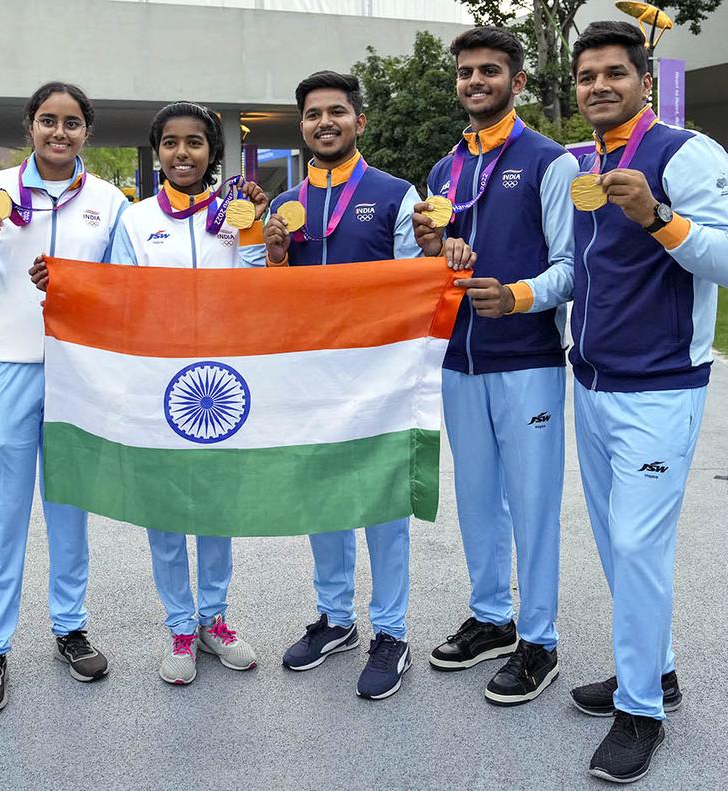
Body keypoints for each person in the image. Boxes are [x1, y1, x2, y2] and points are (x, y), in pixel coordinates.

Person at [498, 21, 728, 783]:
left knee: (639, 547)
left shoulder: (686, 153)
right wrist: (517, 293)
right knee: (615, 543)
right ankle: (656, 670)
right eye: (586, 76)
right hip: (593, 383)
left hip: (661, 388)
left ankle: (641, 711)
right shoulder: (585, 164)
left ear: (645, 79)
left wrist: (658, 217)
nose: (599, 85)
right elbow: (580, 271)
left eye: (614, 72)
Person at [34, 101, 268, 686]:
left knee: (216, 509)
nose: (182, 153)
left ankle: (215, 619)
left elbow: (259, 290)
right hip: (157, 386)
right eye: (170, 143)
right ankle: (180, 627)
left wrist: (255, 232)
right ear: (157, 151)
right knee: (164, 510)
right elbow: (117, 296)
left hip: (221, 386)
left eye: (195, 142)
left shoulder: (237, 216)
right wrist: (66, 286)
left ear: (213, 152)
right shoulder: (135, 220)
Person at [261, 71, 466, 701]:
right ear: (301, 126)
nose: (325, 123)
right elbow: (270, 298)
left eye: (337, 112)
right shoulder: (283, 205)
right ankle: (335, 618)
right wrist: (275, 258)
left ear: (359, 121)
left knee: (381, 503)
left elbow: (417, 282)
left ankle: (391, 632)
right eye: (313, 114)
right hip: (312, 374)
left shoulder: (396, 195)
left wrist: (436, 253)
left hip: (379, 374)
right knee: (322, 497)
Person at [412, 27, 577, 707]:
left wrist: (517, 296)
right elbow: (436, 264)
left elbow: (572, 268)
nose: (475, 81)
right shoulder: (443, 171)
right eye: (465, 72)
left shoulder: (549, 161)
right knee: (477, 497)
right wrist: (432, 248)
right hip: (459, 359)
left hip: (527, 359)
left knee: (532, 502)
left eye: (489, 70)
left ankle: (540, 639)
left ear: (518, 81)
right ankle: (492, 617)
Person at [0, 82, 130, 715]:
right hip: (3, 369)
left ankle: (70, 627)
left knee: (68, 510)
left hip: (75, 372)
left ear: (88, 131)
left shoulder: (109, 202)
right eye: (49, 120)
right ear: (30, 125)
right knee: (0, 517)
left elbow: (123, 291)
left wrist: (76, 287)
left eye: (72, 123)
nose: (60, 132)